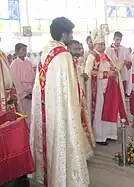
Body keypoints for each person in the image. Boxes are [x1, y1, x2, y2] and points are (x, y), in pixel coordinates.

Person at [29, 17, 90, 187]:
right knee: (62, 138)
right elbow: (71, 91)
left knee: (48, 138)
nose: (72, 36)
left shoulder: (46, 52)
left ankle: (44, 175)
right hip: (60, 109)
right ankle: (64, 177)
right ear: (64, 34)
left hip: (45, 108)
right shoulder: (63, 56)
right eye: (71, 33)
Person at [85, 28, 128, 146]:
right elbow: (88, 74)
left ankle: (109, 133)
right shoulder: (92, 57)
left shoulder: (105, 56)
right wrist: (105, 74)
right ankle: (100, 136)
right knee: (100, 111)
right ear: (94, 44)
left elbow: (111, 66)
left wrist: (114, 70)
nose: (102, 46)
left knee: (110, 109)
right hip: (98, 89)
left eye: (103, 44)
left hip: (109, 87)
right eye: (100, 44)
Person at [67, 39, 95, 153]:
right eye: (76, 49)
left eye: (79, 49)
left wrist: (83, 76)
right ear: (69, 49)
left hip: (80, 94)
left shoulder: (78, 60)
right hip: (72, 98)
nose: (79, 51)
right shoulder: (66, 62)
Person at [10, 43, 35, 126]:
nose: (25, 52)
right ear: (17, 51)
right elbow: (15, 81)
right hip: (22, 93)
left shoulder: (29, 63)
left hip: (31, 92)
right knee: (23, 113)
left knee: (31, 113)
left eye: (25, 50)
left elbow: (33, 78)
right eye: (23, 50)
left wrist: (33, 91)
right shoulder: (14, 64)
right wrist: (24, 94)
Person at [106, 31, 132, 95]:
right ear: (113, 39)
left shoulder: (125, 49)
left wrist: (127, 62)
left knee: (122, 93)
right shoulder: (108, 49)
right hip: (113, 74)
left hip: (122, 74)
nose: (118, 41)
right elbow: (107, 62)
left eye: (120, 40)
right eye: (117, 39)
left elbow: (130, 63)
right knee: (114, 94)